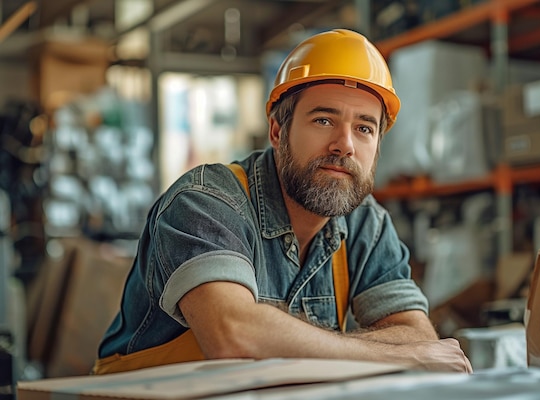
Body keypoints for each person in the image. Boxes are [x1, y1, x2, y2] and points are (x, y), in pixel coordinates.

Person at [93, 28, 472, 375]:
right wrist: (397, 354)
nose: (345, 144)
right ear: (277, 130)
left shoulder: (365, 225)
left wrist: (406, 348)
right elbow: (233, 334)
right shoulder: (205, 202)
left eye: (364, 128)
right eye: (324, 120)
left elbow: (415, 333)